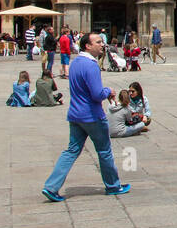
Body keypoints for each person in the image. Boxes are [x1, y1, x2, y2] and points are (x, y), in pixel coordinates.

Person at [41, 31, 130, 201]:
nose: (101, 44)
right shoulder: (91, 65)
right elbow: (97, 94)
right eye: (97, 42)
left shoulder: (76, 63)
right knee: (104, 151)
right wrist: (108, 91)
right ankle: (113, 185)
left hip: (75, 115)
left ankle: (51, 187)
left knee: (71, 151)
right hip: (92, 116)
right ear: (87, 46)